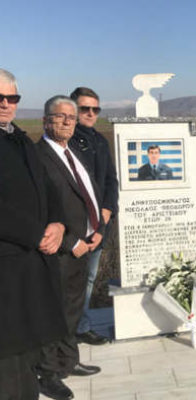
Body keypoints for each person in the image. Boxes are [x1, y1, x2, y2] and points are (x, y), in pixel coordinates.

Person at [0, 69, 68, 400]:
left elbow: (48, 186)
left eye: (12, 97)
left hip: (31, 264)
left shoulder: (20, 139)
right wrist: (35, 233)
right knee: (7, 361)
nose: (5, 104)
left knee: (27, 355)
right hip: (6, 268)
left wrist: (57, 223)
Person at [37, 95, 104, 400]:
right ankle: (48, 373)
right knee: (53, 312)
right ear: (45, 120)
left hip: (84, 246)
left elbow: (86, 193)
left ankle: (68, 360)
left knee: (72, 310)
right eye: (60, 116)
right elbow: (37, 209)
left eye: (72, 117)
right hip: (59, 251)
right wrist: (70, 241)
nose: (67, 121)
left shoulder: (71, 152)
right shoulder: (37, 156)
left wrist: (97, 230)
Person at [69, 87, 118, 346]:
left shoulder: (100, 141)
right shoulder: (65, 141)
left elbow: (111, 180)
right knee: (69, 281)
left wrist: (107, 212)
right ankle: (64, 333)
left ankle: (81, 327)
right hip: (73, 227)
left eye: (95, 109)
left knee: (88, 278)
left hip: (99, 227)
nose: (90, 113)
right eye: (84, 108)